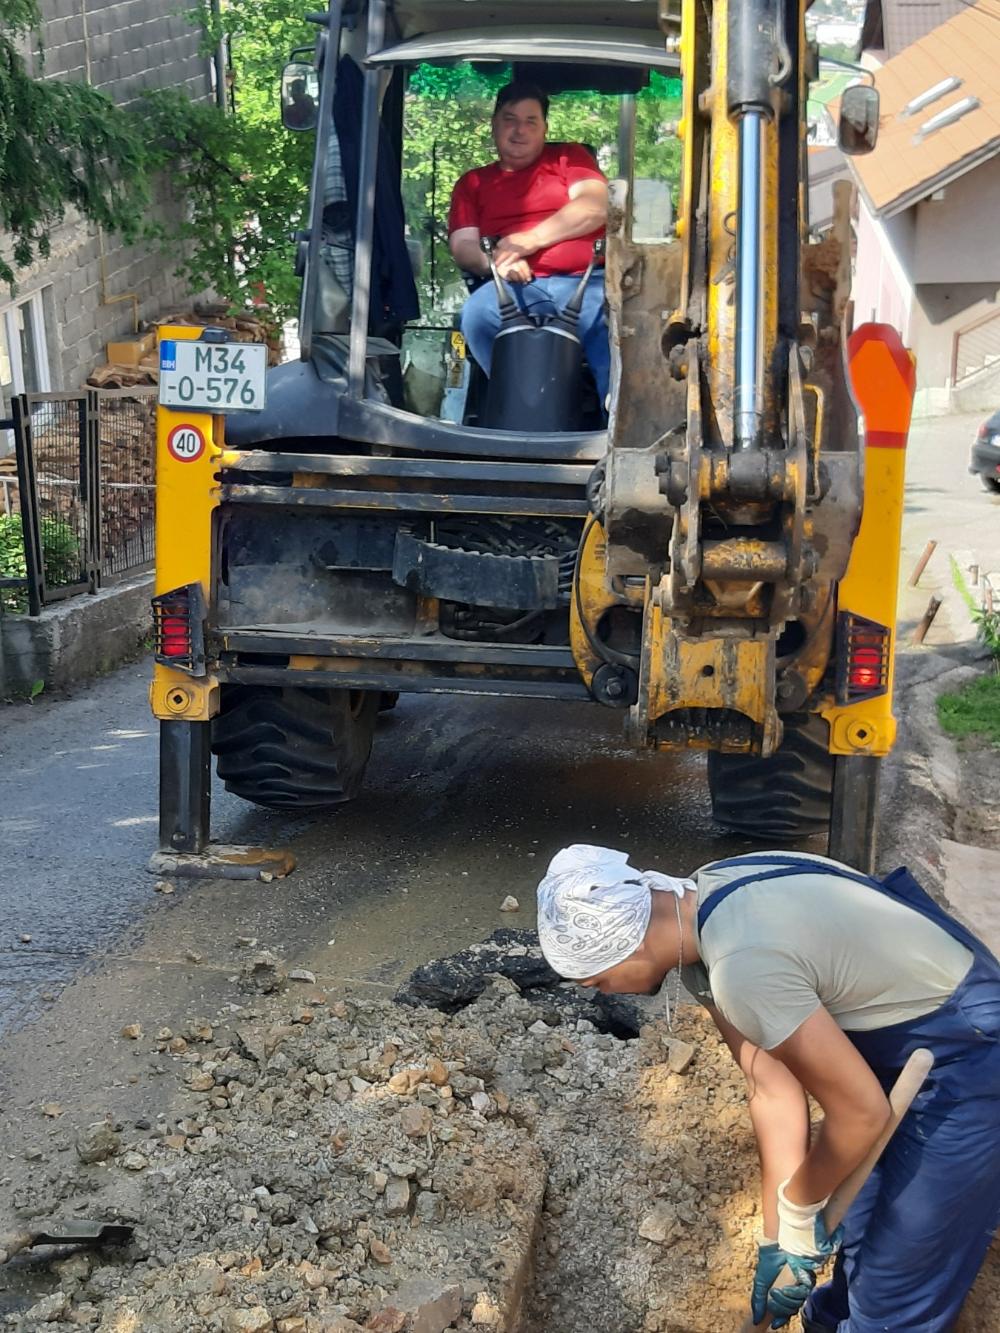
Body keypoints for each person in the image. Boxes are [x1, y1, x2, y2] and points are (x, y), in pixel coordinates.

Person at [535, 844, 1000, 1332]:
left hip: (969, 1060)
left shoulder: (743, 966)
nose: (605, 991)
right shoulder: (702, 905)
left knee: (897, 1285)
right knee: (859, 1231)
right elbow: (772, 1090)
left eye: (596, 981)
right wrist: (778, 1240)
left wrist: (801, 1209)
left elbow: (860, 1114)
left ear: (624, 943)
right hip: (903, 1046)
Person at [447, 82, 610, 405]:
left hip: (586, 284)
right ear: (493, 124)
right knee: (476, 317)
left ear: (544, 128)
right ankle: (518, 408)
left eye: (530, 121)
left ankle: (615, 425)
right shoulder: (473, 182)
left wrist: (527, 241)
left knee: (615, 326)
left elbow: (595, 206)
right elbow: (463, 245)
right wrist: (496, 264)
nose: (519, 130)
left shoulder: (569, 158)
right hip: (512, 290)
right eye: (510, 119)